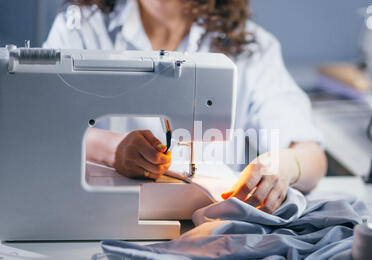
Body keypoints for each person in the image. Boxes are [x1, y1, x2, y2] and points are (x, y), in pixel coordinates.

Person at [44, 0, 327, 213]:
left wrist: (287, 164)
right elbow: (40, 126)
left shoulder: (252, 48)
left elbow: (311, 154)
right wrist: (111, 150)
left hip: (207, 228)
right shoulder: (80, 29)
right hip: (101, 221)